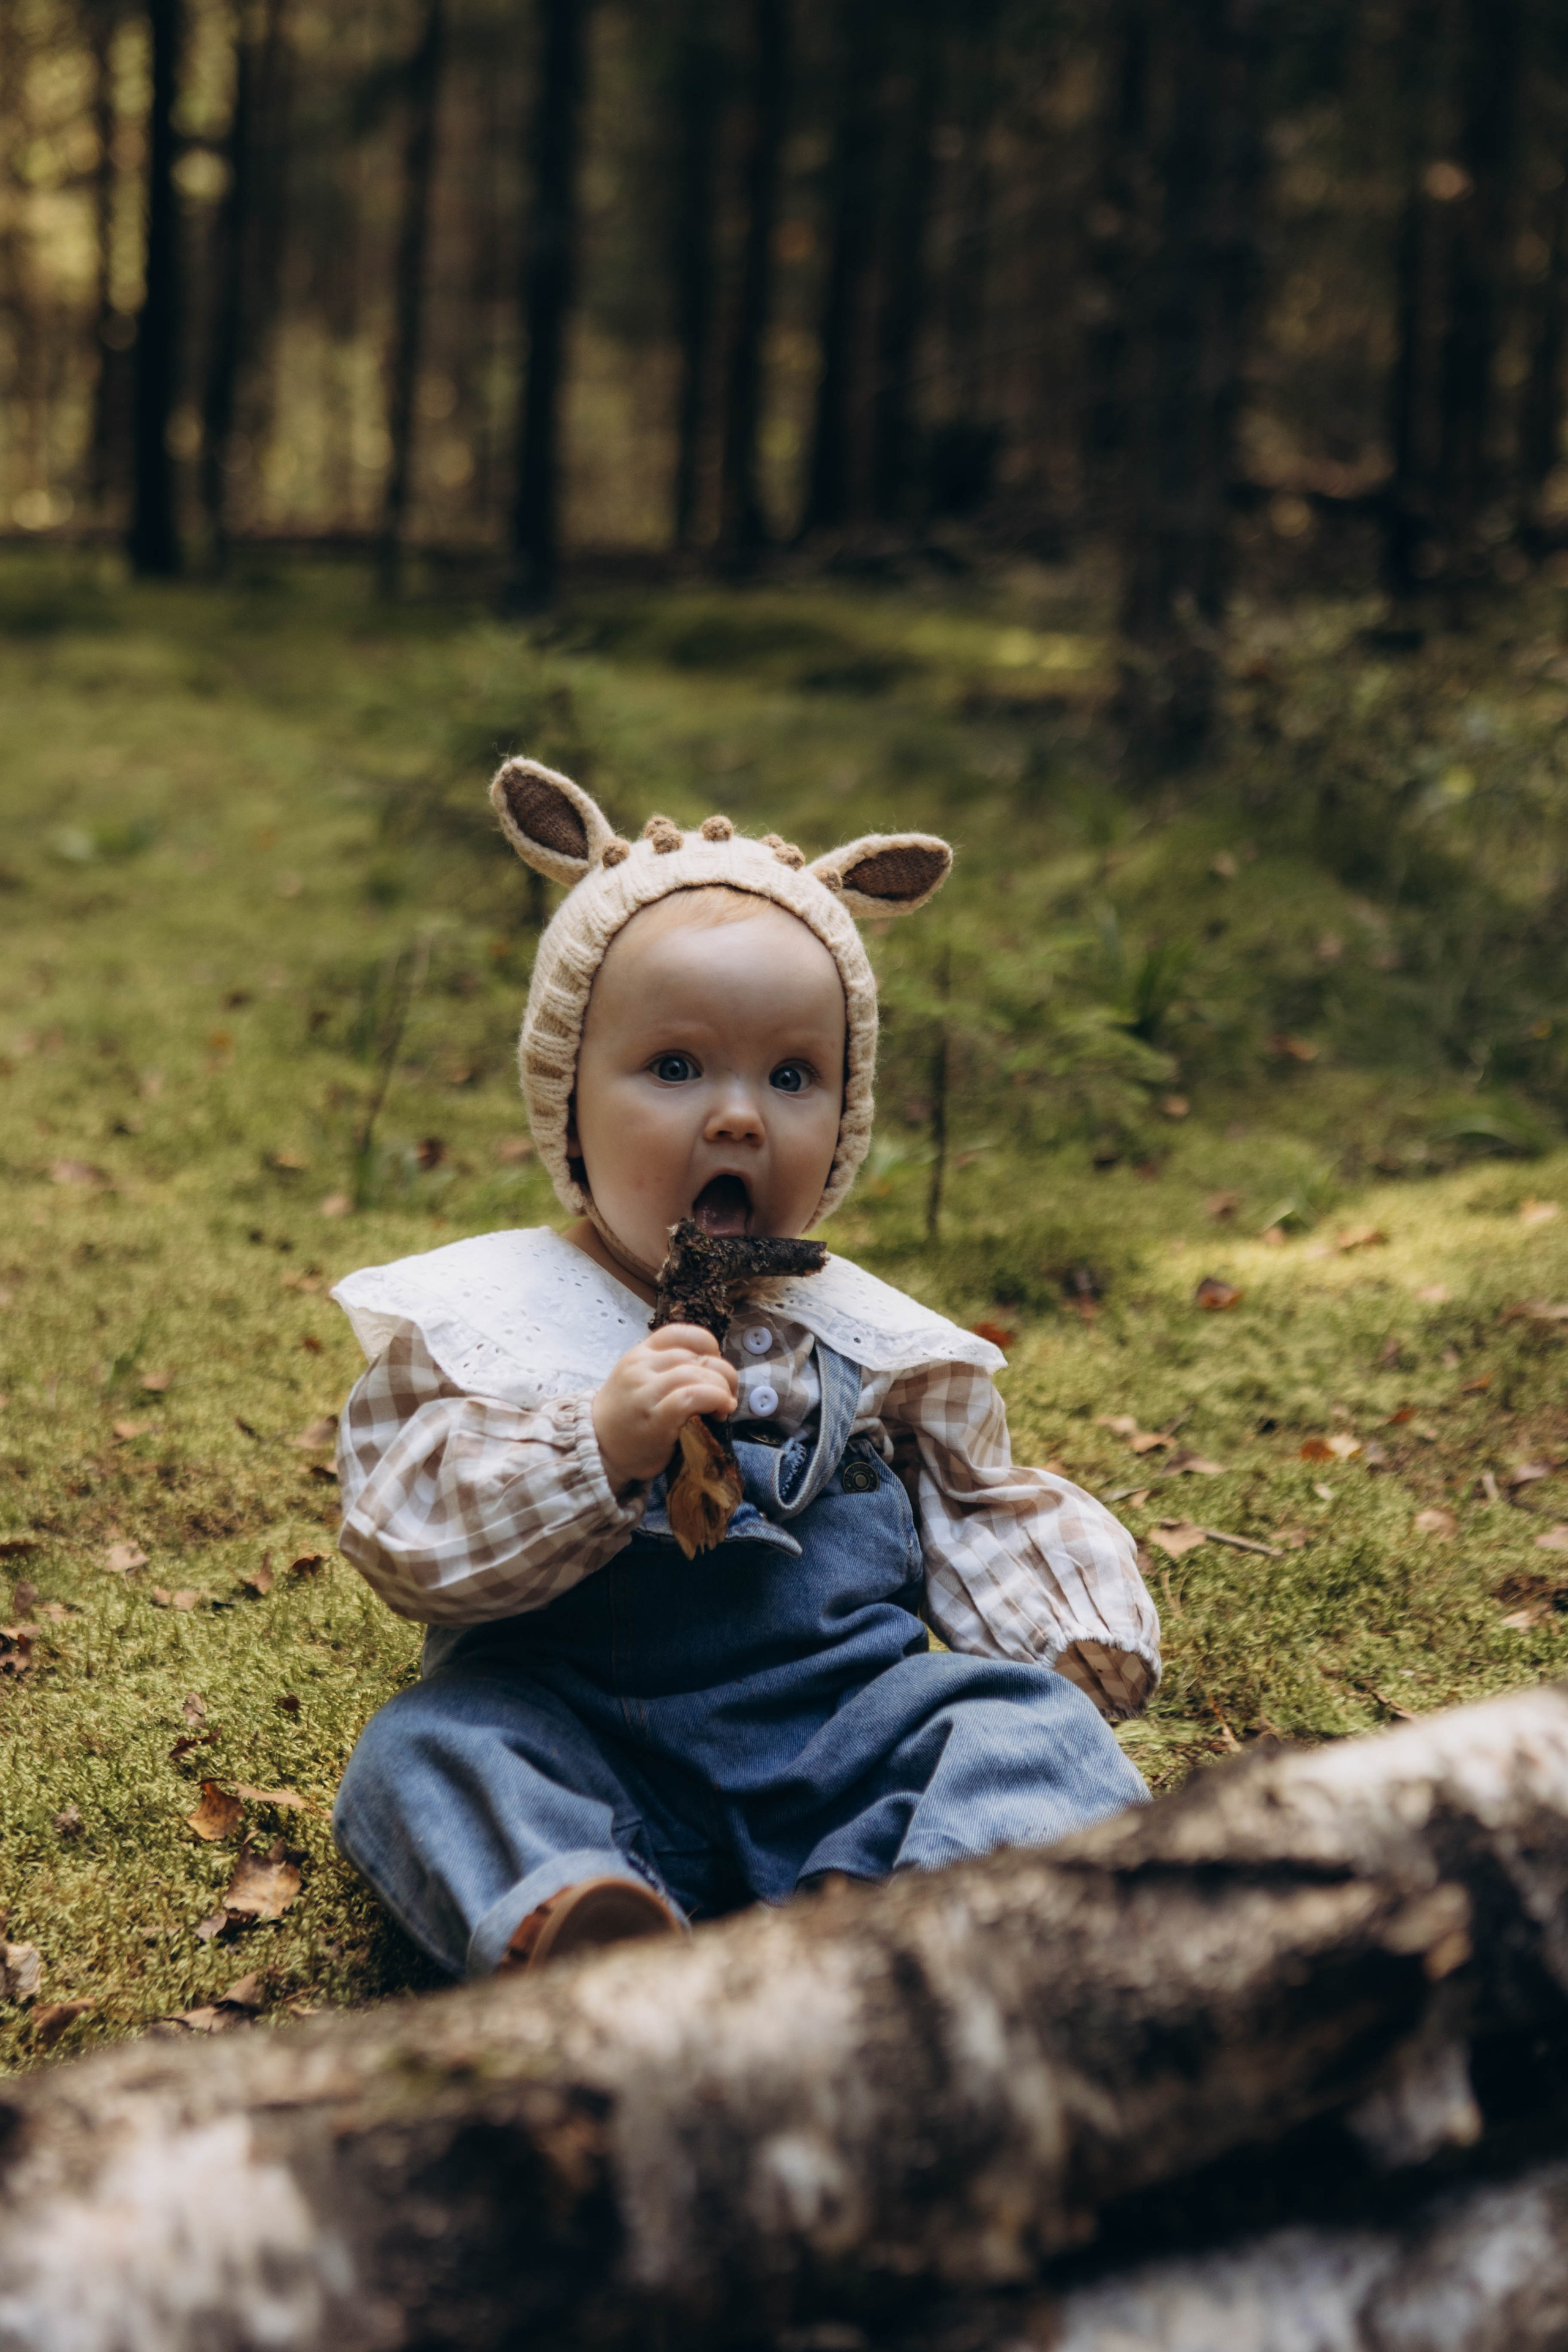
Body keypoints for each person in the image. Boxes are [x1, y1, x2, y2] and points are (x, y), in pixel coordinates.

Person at [329, 761, 1158, 1978]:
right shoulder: (489, 1319)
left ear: (844, 1115)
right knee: (425, 1750)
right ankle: (586, 1927)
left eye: (789, 1077)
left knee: (1019, 1727)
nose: (736, 1119)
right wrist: (593, 1446)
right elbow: (406, 1531)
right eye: (674, 1070)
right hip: (584, 1745)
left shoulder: (862, 1336)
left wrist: (1071, 1633)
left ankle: (899, 1926)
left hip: (837, 1751)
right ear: (566, 1104)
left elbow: (973, 1498)